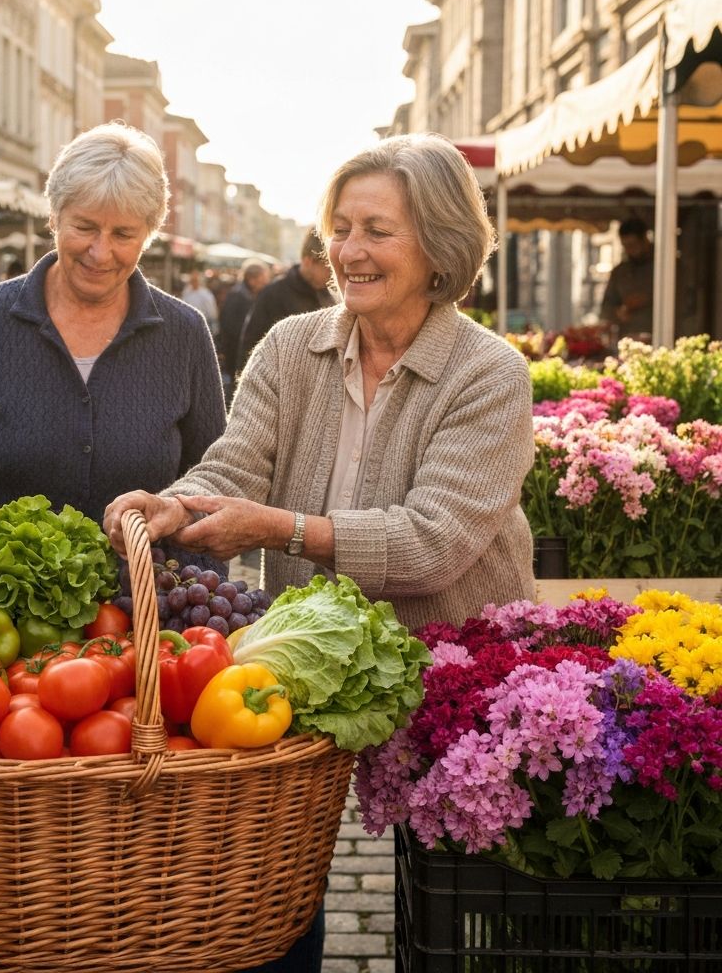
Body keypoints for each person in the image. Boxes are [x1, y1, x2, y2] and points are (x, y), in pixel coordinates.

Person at [104, 134, 536, 971]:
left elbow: (434, 541)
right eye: (341, 228)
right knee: (277, 885)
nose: (349, 251)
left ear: (441, 245)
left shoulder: (489, 375)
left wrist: (282, 530)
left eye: (378, 230)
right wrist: (177, 500)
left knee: (448, 898)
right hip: (310, 661)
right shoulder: (290, 346)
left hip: (453, 666)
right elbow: (236, 465)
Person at [0, 122, 226, 576]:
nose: (100, 251)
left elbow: (210, 491)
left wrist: (194, 598)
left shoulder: (183, 333)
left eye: (124, 234)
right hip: (0, 621)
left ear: (149, 234)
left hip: (145, 625)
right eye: (84, 226)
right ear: (53, 217)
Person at [236, 229, 333, 375]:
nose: (332, 273)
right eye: (328, 266)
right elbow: (250, 349)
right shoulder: (273, 294)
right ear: (308, 262)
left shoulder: (331, 295)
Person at [217, 259, 270, 400]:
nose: (266, 283)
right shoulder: (238, 297)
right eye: (263, 279)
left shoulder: (244, 295)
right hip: (236, 355)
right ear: (252, 279)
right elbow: (233, 329)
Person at [599, 217, 653, 339]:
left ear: (645, 240)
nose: (629, 250)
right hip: (628, 338)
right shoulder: (620, 272)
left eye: (633, 245)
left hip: (659, 336)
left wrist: (648, 299)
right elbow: (605, 308)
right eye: (625, 246)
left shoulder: (665, 269)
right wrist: (618, 312)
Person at [181, 269, 219, 335]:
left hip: (202, 325)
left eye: (195, 281)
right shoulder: (187, 291)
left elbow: (212, 313)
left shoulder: (206, 294)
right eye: (192, 280)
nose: (193, 283)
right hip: (188, 325)